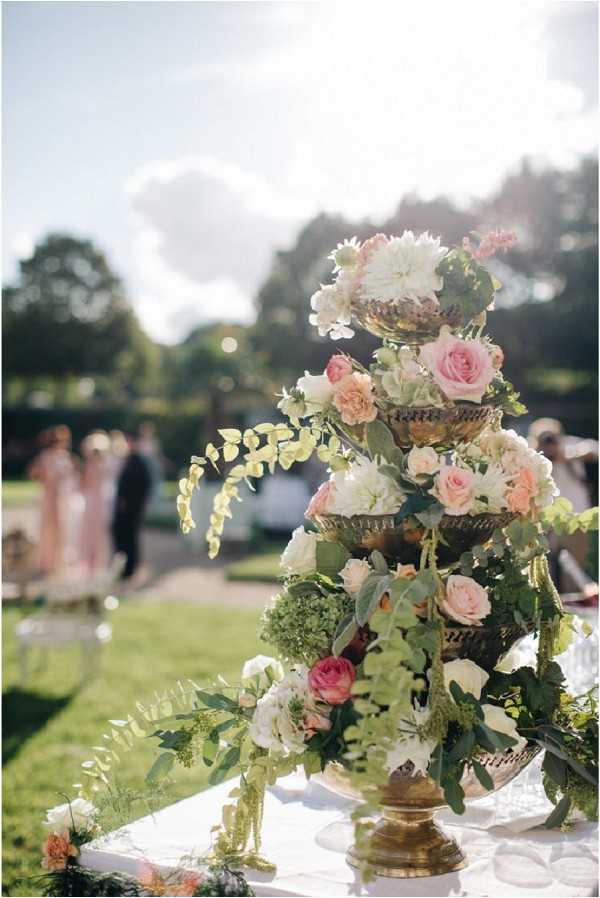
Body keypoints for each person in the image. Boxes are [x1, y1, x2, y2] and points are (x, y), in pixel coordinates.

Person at [28, 425, 80, 575]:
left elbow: (72, 474)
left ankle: (58, 563)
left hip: (62, 497)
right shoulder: (46, 456)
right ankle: (47, 562)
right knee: (48, 529)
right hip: (50, 497)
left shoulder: (65, 456)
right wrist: (45, 481)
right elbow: (34, 473)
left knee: (62, 529)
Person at [111, 434, 152, 580]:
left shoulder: (138, 463)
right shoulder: (128, 461)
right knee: (123, 538)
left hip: (131, 509)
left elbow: (143, 486)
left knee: (130, 539)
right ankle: (122, 568)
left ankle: (129, 569)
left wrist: (131, 502)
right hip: (125, 509)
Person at [80, 430, 113, 575]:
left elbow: (84, 484)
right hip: (95, 500)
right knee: (93, 529)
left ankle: (95, 558)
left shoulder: (97, 466)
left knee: (97, 529)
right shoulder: (97, 466)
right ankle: (92, 558)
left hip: (96, 500)